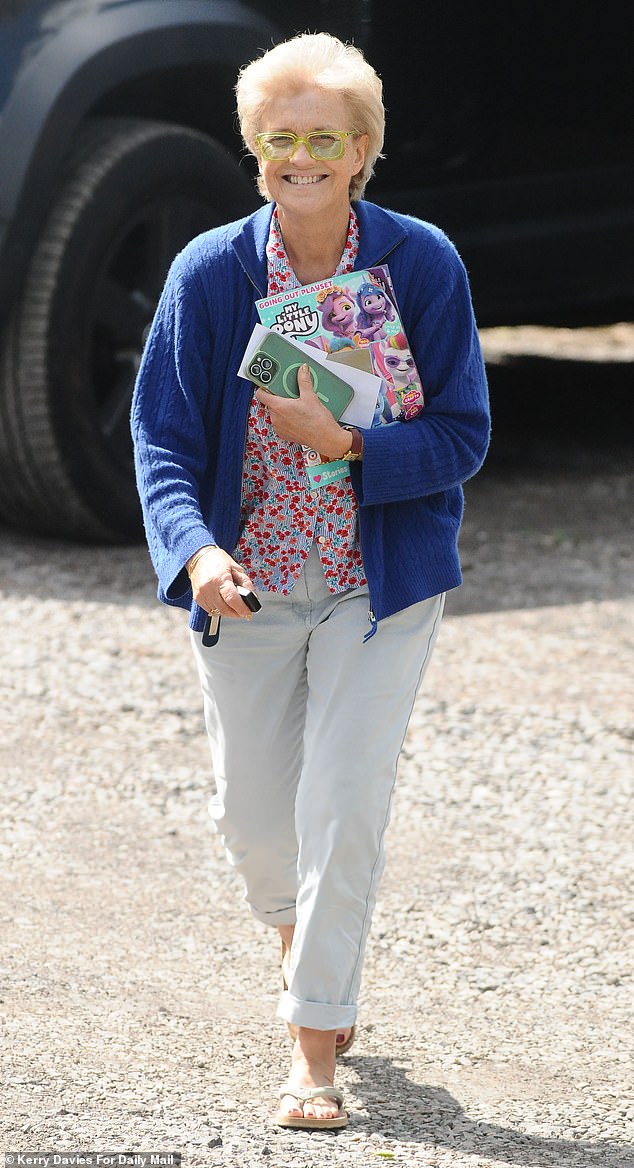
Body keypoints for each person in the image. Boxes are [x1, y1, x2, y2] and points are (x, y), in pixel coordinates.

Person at [131, 31, 489, 1131]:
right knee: (253, 823)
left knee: (342, 803)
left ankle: (313, 1045)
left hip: (376, 586)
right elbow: (161, 440)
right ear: (254, 149)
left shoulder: (421, 264)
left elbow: (463, 434)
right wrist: (196, 551)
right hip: (247, 582)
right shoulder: (211, 272)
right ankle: (299, 943)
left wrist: (349, 447)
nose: (300, 158)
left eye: (324, 139)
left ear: (363, 150)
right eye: (279, 138)